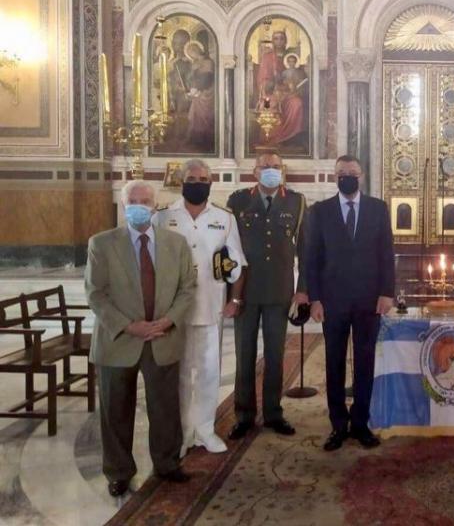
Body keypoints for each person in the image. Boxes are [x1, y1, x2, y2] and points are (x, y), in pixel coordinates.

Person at [85, 180, 197, 497]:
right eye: (132, 200)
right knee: (115, 410)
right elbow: (96, 293)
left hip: (163, 336)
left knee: (165, 407)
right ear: (124, 205)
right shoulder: (101, 243)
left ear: (154, 205)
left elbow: (188, 288)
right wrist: (128, 326)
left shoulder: (176, 244)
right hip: (118, 340)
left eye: (144, 201)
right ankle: (118, 471)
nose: (138, 206)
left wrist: (168, 320)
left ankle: (167, 463)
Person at [152, 160, 246, 456]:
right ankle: (182, 433)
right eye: (192, 179)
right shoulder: (163, 217)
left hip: (210, 305)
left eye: (203, 179)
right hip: (172, 311)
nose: (198, 183)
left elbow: (238, 263)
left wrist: (234, 300)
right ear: (182, 181)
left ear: (211, 182)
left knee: (208, 372)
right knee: (179, 375)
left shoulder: (224, 218)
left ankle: (205, 430)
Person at [306, 155, 395, 451]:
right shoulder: (320, 211)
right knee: (334, 363)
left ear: (362, 176)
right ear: (335, 177)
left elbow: (386, 254)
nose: (347, 177)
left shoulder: (378, 209)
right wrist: (314, 298)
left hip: (369, 300)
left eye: (352, 172)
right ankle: (338, 425)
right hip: (333, 300)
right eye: (342, 173)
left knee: (365, 362)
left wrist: (387, 292)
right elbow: (311, 258)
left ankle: (360, 423)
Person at [227, 152, 308, 439]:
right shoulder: (238, 201)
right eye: (265, 167)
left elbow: (305, 250)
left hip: (278, 290)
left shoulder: (296, 202)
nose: (271, 171)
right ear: (255, 172)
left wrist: (302, 289)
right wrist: (230, 294)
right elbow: (228, 249)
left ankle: (273, 413)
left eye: (275, 167)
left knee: (275, 355)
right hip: (246, 290)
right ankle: (244, 415)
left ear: (282, 170)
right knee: (244, 355)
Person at [256, 30, 288, 107]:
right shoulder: (267, 57)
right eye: (276, 39)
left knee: (296, 103)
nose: (279, 41)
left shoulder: (291, 56)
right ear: (273, 41)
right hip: (272, 91)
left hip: (288, 91)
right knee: (269, 104)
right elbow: (263, 79)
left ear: (285, 41)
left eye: (281, 38)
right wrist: (270, 84)